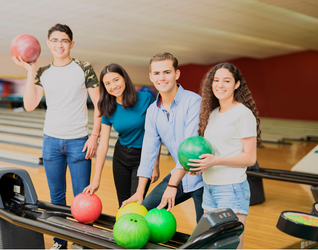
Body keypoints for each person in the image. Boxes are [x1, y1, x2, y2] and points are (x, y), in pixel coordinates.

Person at [12, 23, 101, 250]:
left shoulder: (83, 67)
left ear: (71, 43)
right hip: (51, 141)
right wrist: (30, 71)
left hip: (79, 141)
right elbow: (30, 105)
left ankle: (82, 243)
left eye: (64, 40)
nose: (59, 44)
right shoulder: (42, 72)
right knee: (56, 197)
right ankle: (60, 242)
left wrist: (95, 136)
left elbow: (100, 106)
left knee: (83, 197)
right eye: (54, 40)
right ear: (48, 44)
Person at [122, 52, 204, 223]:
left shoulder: (194, 102)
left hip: (204, 178)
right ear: (151, 77)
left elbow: (190, 151)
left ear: (177, 74)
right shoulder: (153, 111)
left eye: (167, 72)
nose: (162, 77)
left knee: (204, 235)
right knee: (145, 210)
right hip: (180, 175)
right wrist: (139, 192)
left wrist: (172, 185)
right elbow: (148, 152)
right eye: (157, 73)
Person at [187, 62, 261, 249]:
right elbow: (212, 151)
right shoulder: (212, 114)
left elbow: (250, 158)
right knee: (213, 246)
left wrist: (217, 161)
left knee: (231, 246)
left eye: (226, 81)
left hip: (232, 189)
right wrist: (200, 165)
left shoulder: (243, 114)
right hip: (210, 187)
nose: (220, 85)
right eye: (216, 80)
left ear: (236, 84)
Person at [83, 63, 159, 207]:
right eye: (107, 83)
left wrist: (155, 163)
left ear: (124, 78)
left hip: (144, 157)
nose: (113, 86)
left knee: (136, 203)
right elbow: (103, 145)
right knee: (123, 204)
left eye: (116, 80)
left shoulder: (146, 98)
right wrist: (96, 179)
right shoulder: (107, 106)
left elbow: (156, 133)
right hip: (121, 158)